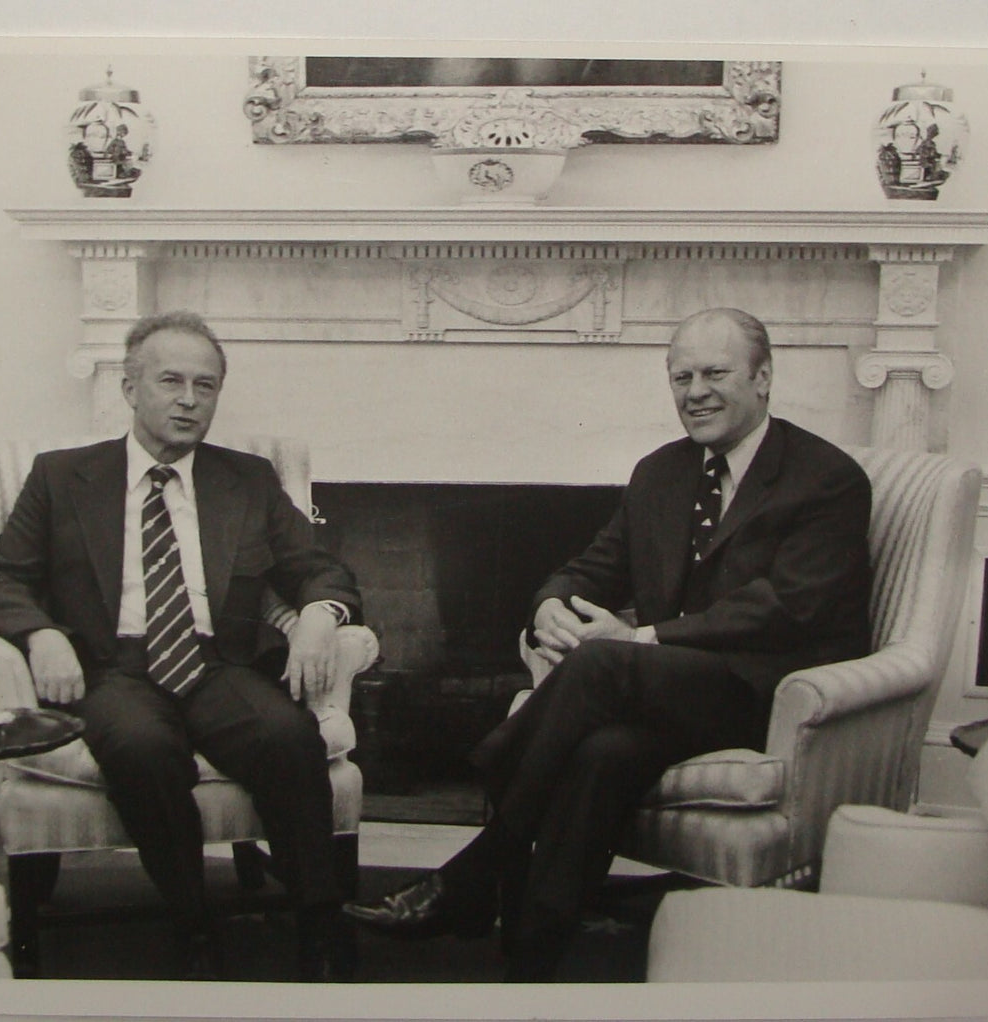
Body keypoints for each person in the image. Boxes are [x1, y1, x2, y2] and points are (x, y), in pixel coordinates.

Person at [344, 307, 873, 981]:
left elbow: (787, 607)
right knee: (600, 754)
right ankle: (530, 967)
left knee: (600, 663)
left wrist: (642, 636)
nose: (695, 392)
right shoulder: (661, 472)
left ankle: (478, 867)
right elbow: (590, 566)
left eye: (715, 373)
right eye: (680, 377)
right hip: (663, 697)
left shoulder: (823, 477)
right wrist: (550, 610)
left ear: (764, 378)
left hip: (765, 697)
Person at [0, 311, 362, 982]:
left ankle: (318, 922)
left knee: (289, 738)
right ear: (129, 388)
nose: (187, 399)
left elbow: (318, 568)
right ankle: (191, 917)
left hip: (217, 664)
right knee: (144, 749)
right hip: (112, 668)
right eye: (170, 381)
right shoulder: (62, 477)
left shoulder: (248, 478)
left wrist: (322, 616)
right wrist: (41, 634)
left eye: (204, 386)